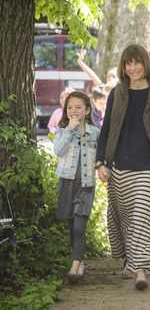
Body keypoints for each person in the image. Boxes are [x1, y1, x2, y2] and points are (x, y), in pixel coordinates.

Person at [95, 44, 150, 290]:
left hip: (149, 167)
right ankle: (131, 261)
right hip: (120, 166)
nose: (132, 68)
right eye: (128, 63)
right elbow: (106, 130)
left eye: (137, 62)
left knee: (141, 217)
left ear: (146, 65)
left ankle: (140, 270)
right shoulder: (117, 93)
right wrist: (100, 162)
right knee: (126, 218)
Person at [54, 91, 100, 284]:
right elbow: (58, 151)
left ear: (88, 110)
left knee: (80, 226)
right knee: (72, 227)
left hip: (86, 185)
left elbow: (101, 157)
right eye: (70, 107)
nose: (73, 111)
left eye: (79, 107)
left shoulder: (95, 132)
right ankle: (79, 261)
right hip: (67, 182)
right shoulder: (62, 129)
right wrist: (69, 130)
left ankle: (74, 268)